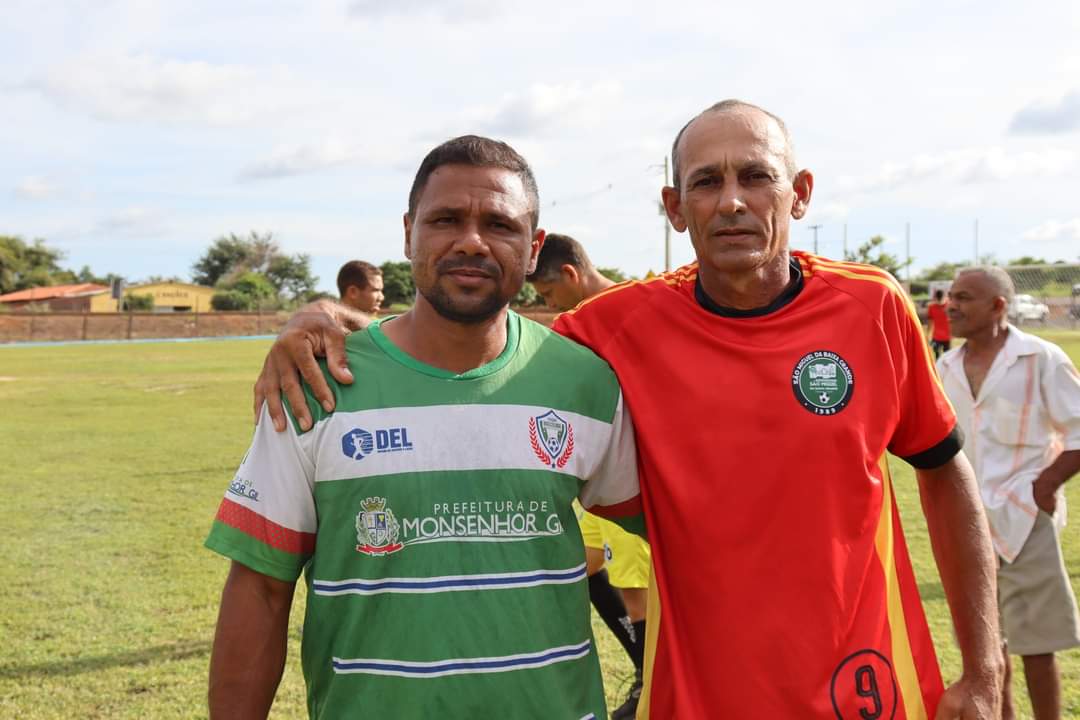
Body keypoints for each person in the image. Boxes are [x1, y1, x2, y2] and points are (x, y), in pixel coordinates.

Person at [253, 100, 1003, 718]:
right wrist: (317, 315)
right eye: (706, 182)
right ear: (675, 208)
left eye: (756, 176)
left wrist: (984, 662)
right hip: (698, 696)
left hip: (864, 681)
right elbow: (470, 332)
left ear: (799, 192)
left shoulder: (872, 307)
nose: (733, 200)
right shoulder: (616, 330)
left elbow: (945, 470)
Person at [206, 135, 643, 719]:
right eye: (445, 220)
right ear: (408, 232)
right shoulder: (316, 382)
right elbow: (260, 588)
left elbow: (678, 540)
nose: (471, 240)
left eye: (499, 224)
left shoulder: (585, 382)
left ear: (533, 247)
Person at [937, 266, 1080, 720]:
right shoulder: (945, 366)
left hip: (1023, 520)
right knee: (984, 653)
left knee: (1037, 649)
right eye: (951, 297)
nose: (950, 306)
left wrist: (1045, 486)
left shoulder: (1042, 357)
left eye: (963, 298)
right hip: (966, 525)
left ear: (998, 306)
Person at [529, 233, 650, 719]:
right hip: (594, 480)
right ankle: (647, 671)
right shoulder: (572, 329)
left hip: (637, 478)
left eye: (546, 293)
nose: (547, 304)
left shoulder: (641, 311)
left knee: (636, 590)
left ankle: (652, 688)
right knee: (588, 566)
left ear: (571, 275)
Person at [927, 288, 952, 359]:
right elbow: (930, 322)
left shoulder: (949, 305)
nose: (939, 301)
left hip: (947, 337)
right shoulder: (931, 307)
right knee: (937, 355)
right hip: (936, 337)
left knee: (947, 357)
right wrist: (928, 334)